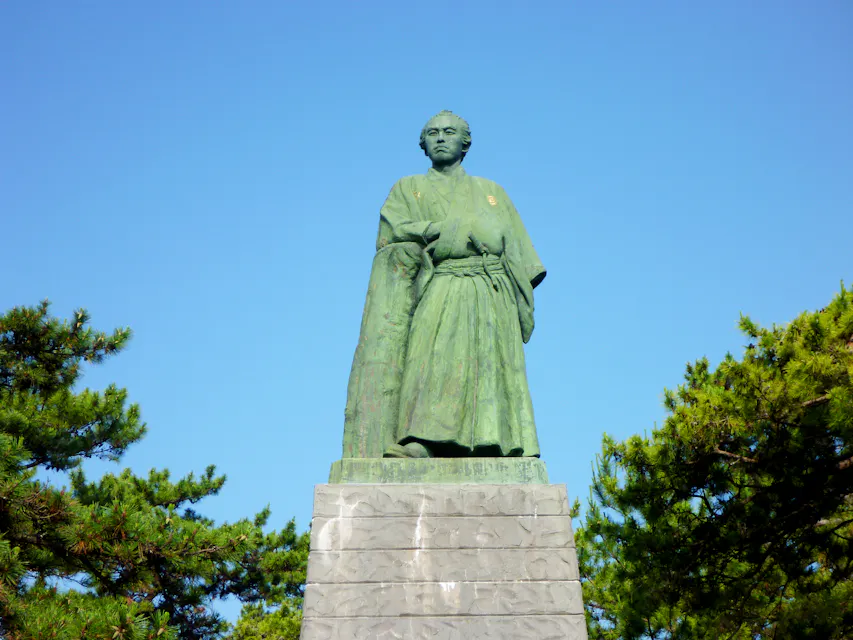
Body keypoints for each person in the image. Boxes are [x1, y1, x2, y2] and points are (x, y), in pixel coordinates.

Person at [342, 110, 546, 459]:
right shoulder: (407, 188)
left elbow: (521, 257)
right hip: (439, 282)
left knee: (488, 365)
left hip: (489, 289)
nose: (440, 138)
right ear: (422, 144)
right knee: (431, 359)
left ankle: (493, 442)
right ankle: (423, 439)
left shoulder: (491, 192)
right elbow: (392, 232)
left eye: (449, 132)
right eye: (432, 133)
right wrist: (440, 229)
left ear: (465, 143)